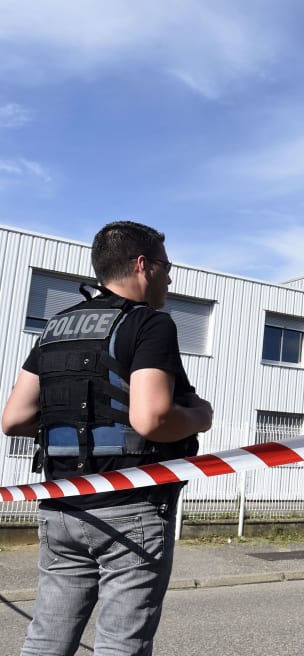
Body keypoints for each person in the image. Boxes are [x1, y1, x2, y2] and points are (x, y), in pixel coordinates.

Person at [2, 221, 214, 655]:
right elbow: (151, 418)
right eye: (166, 267)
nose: (170, 278)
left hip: (60, 503)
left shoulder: (56, 325)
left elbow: (14, 418)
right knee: (121, 644)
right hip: (130, 506)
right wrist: (199, 417)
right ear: (143, 265)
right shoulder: (150, 324)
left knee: (46, 639)